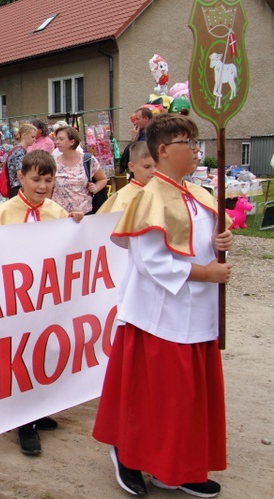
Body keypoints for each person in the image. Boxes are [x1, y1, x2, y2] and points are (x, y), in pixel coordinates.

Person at [93, 114, 233, 497]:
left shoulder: (199, 192)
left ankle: (179, 465)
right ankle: (130, 455)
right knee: (156, 395)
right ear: (165, 150)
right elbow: (150, 260)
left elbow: (204, 238)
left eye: (197, 143)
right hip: (160, 315)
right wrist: (206, 273)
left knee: (186, 398)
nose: (196, 151)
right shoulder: (150, 196)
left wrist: (221, 242)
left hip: (198, 312)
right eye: (189, 143)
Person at [0, 150, 80, 456]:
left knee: (45, 353)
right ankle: (24, 422)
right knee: (21, 356)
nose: (42, 186)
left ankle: (36, 409)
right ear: (21, 177)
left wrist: (78, 224)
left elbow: (73, 245)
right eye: (36, 179)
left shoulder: (56, 211)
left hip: (46, 299)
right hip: (17, 301)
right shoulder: (5, 212)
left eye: (48, 180)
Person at [52, 126, 107, 217]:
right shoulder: (53, 163)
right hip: (62, 215)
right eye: (56, 139)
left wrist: (95, 188)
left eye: (61, 139)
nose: (57, 142)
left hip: (85, 214)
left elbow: (102, 179)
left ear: (72, 142)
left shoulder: (87, 160)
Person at [98, 142, 156, 214]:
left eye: (156, 166)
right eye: (147, 167)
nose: (154, 171)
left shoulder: (161, 190)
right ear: (131, 166)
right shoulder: (123, 199)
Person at [6, 124, 37, 198]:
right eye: (32, 137)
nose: (34, 139)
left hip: (16, 187)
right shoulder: (20, 152)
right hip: (18, 188)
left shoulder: (17, 149)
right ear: (24, 135)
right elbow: (21, 173)